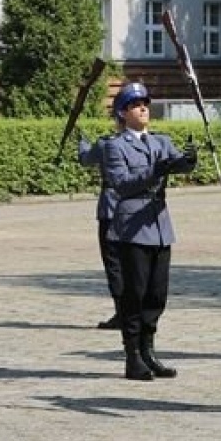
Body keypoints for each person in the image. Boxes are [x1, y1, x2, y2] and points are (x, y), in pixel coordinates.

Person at [90, 82, 196, 381]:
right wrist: (156, 171)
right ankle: (133, 355)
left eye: (145, 104)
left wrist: (188, 161)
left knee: (156, 293)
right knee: (134, 292)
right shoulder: (115, 146)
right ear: (123, 113)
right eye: (136, 105)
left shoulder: (160, 141)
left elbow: (176, 165)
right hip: (132, 223)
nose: (144, 109)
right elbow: (121, 183)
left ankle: (149, 349)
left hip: (159, 223)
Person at [77, 115, 125, 333]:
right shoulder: (148, 142)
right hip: (138, 212)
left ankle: (122, 312)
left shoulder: (107, 143)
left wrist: (81, 141)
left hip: (112, 208)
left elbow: (86, 158)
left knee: (114, 263)